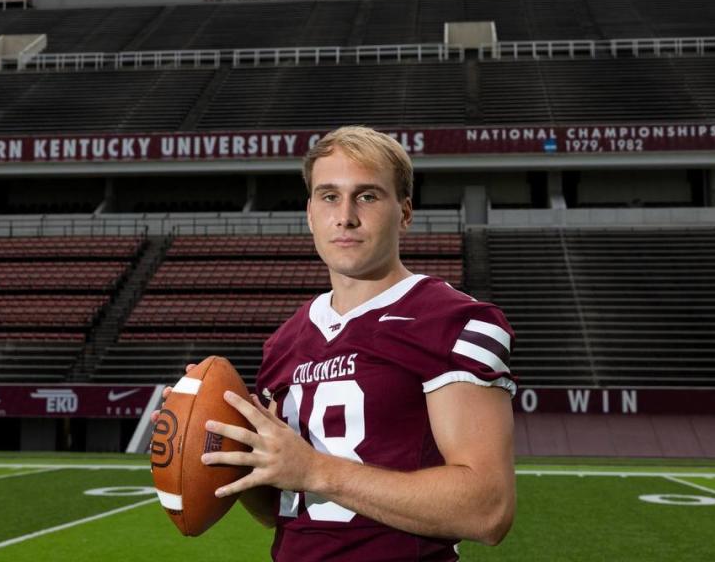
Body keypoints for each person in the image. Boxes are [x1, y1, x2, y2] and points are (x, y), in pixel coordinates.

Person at [160, 126, 516, 561]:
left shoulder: (453, 322)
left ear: (405, 212)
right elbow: (280, 509)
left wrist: (316, 471)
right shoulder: (285, 341)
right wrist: (224, 445)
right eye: (329, 196)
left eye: (367, 196)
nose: (345, 216)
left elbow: (487, 510)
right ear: (309, 212)